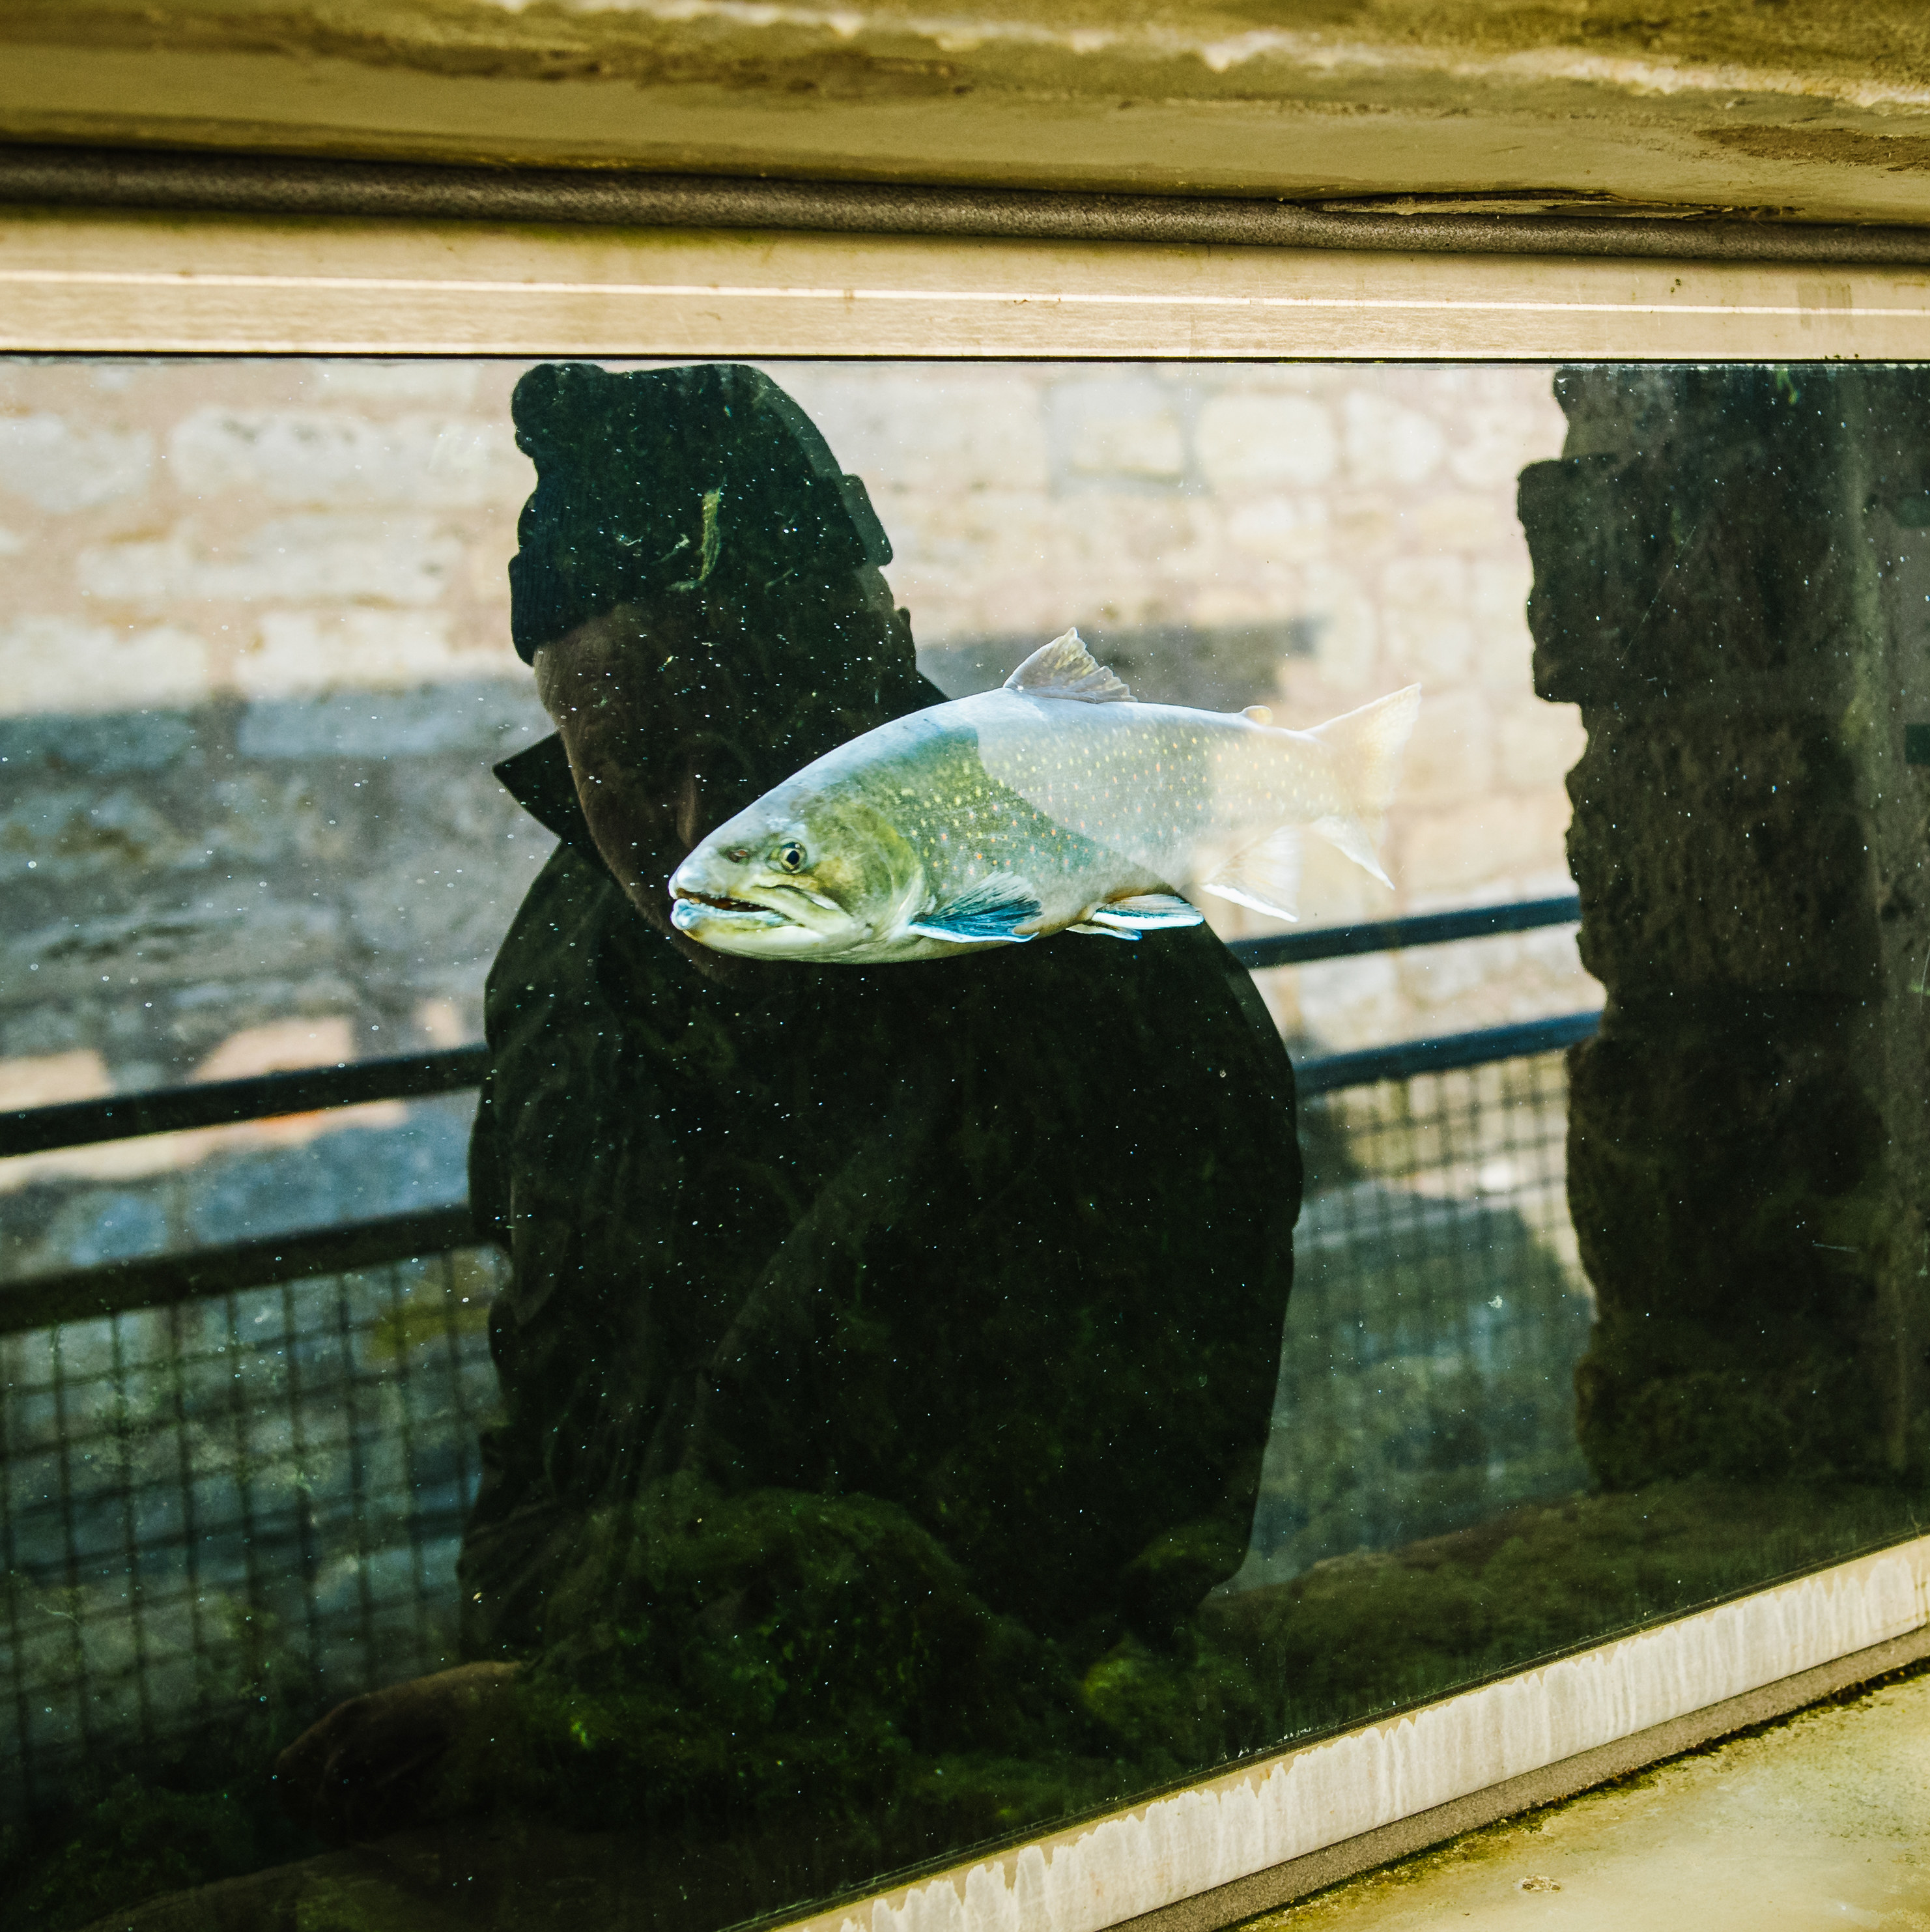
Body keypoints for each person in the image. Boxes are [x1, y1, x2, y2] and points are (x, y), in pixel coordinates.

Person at [275, 363, 1303, 1842]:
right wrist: (539, 1659)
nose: (696, 835)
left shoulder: (1090, 976)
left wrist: (592, 1711)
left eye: (764, 756)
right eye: (622, 765)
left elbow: (1081, 1576)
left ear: (875, 673)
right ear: (557, 723)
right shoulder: (569, 963)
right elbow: (560, 1390)